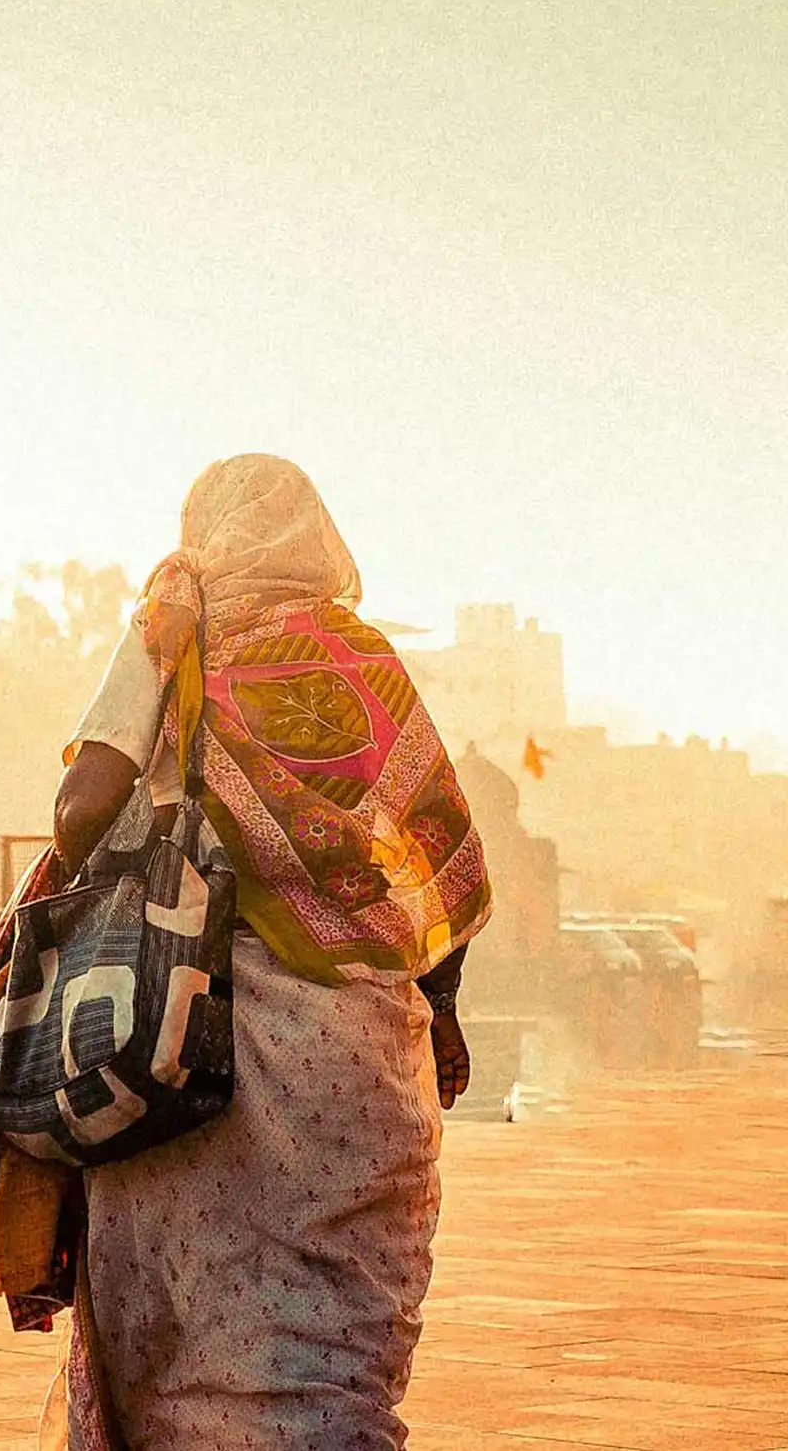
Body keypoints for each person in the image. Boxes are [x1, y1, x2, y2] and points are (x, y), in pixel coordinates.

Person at [40, 453, 491, 1450]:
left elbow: (79, 810)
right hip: (360, 1060)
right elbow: (439, 856)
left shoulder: (175, 632)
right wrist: (442, 1012)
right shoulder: (362, 659)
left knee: (184, 1332)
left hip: (192, 1047)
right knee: (331, 1328)